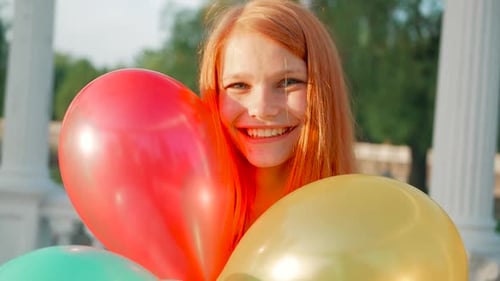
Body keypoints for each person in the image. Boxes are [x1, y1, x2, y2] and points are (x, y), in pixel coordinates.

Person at [199, 0, 356, 243]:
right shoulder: (188, 214)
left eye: (287, 82)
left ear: (326, 93)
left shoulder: (359, 225)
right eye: (238, 85)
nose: (262, 109)